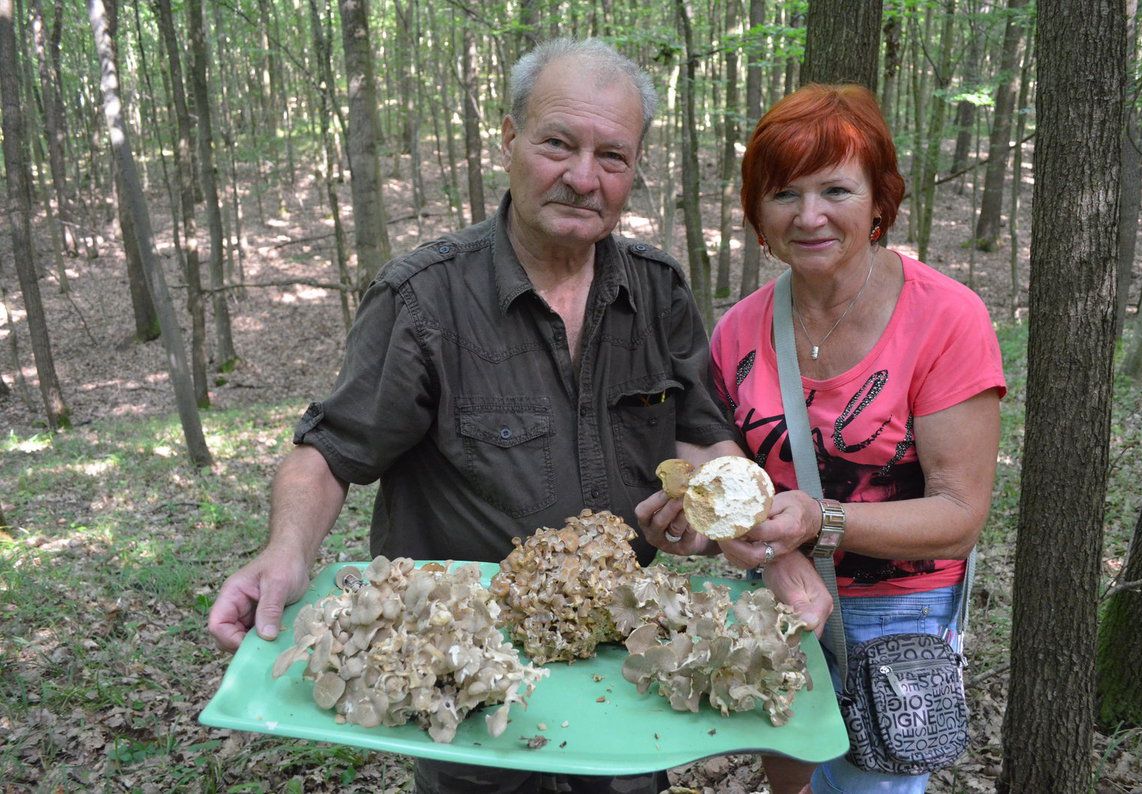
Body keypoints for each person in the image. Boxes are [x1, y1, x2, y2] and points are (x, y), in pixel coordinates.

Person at [207, 38, 748, 794]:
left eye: (612, 157)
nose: (582, 178)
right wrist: (287, 551)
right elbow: (328, 452)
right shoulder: (423, 299)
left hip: (625, 673)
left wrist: (706, 495)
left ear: (635, 169)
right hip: (471, 682)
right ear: (508, 139)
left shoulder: (657, 291)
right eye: (558, 143)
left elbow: (699, 426)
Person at [706, 84, 1005, 793]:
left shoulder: (948, 320)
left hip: (899, 613)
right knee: (792, 785)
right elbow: (725, 479)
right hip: (776, 597)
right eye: (783, 194)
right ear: (758, 215)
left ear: (879, 202)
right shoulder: (737, 332)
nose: (809, 216)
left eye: (835, 189)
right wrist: (724, 534)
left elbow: (960, 515)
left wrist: (821, 519)